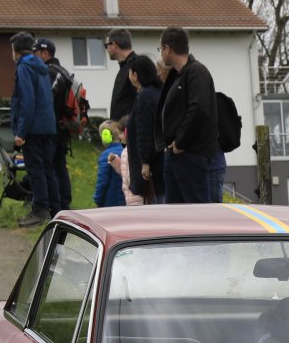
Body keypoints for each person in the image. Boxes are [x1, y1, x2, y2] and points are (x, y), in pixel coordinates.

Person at [157, 26, 223, 203]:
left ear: (167, 49)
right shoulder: (178, 75)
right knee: (175, 210)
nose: (161, 53)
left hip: (191, 154)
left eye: (160, 49)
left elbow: (198, 109)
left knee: (195, 209)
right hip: (176, 154)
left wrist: (180, 141)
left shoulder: (196, 72)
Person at [8, 32, 59, 226]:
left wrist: (21, 132)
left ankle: (39, 211)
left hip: (33, 128)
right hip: (48, 126)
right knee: (48, 170)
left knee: (35, 170)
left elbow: (27, 101)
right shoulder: (42, 66)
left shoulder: (24, 67)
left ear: (16, 50)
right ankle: (56, 210)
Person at [35, 39, 75, 210]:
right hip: (62, 127)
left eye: (35, 53)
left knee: (51, 167)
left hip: (53, 129)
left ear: (45, 54)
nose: (33, 57)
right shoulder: (62, 70)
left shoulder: (50, 72)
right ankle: (64, 203)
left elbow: (46, 100)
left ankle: (58, 205)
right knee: (59, 166)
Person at [125, 54, 163, 204]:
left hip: (154, 167)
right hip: (161, 161)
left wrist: (145, 162)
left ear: (135, 75)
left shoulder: (144, 97)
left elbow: (144, 132)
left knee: (158, 206)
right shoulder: (158, 92)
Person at [104, 28, 137, 123]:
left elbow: (142, 100)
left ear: (114, 45)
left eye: (106, 45)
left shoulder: (136, 65)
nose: (106, 49)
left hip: (129, 129)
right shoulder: (125, 67)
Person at [94, 120, 127, 207]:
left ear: (106, 136)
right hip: (126, 200)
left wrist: (97, 199)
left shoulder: (105, 155)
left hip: (111, 203)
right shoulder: (125, 151)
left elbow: (102, 181)